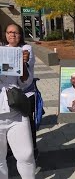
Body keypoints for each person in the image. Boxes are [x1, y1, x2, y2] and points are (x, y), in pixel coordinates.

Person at [0, 23, 36, 179]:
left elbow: (25, 83)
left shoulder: (25, 50)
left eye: (16, 32)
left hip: (16, 109)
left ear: (21, 35)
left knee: (26, 154)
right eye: (9, 32)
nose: (12, 35)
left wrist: (22, 64)